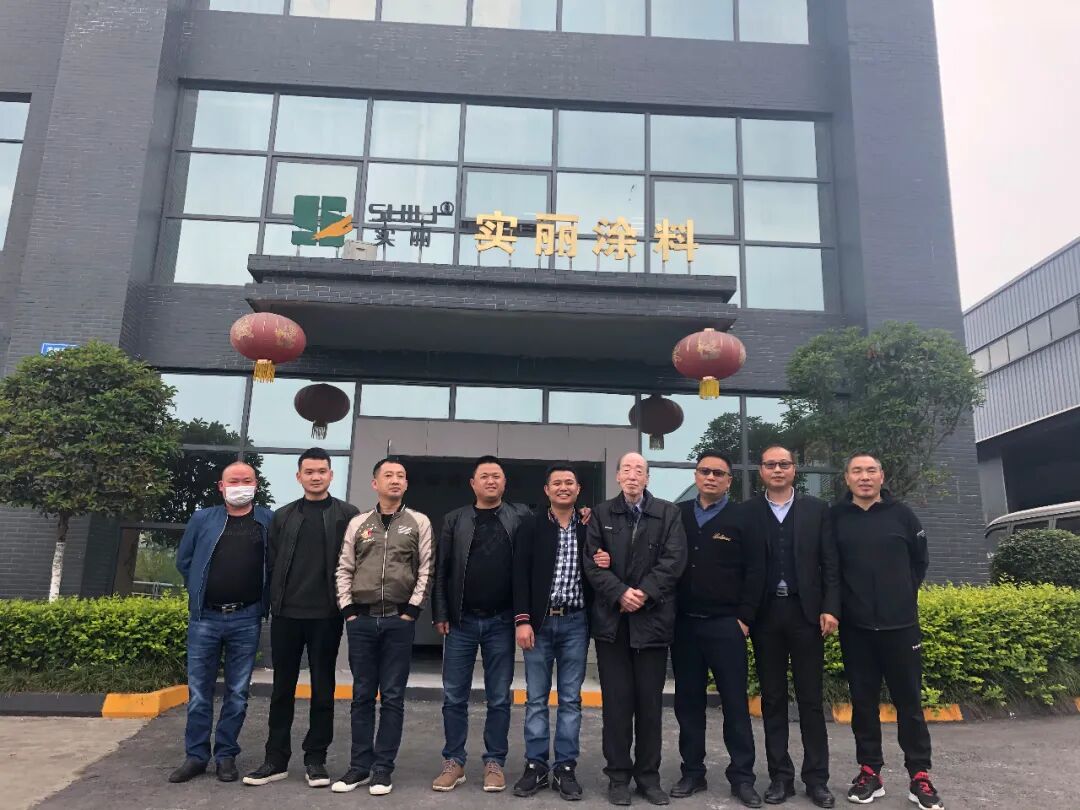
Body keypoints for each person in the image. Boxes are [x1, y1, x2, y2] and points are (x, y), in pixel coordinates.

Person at [832, 453, 944, 810]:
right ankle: (870, 772)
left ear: (882, 476)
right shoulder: (835, 518)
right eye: (857, 471)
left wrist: (900, 596)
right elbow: (830, 568)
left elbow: (919, 562)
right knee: (863, 704)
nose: (864, 477)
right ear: (847, 478)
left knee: (909, 704)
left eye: (871, 471)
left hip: (901, 628)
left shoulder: (903, 516)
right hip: (856, 629)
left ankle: (919, 775)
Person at [243, 448, 359, 789]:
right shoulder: (283, 516)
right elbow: (271, 563)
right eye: (309, 471)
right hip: (286, 614)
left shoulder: (347, 515)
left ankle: (315, 760)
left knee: (323, 689)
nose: (316, 476)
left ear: (331, 475)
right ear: (299, 476)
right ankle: (275, 759)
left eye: (322, 471)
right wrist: (271, 604)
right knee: (282, 689)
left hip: (327, 615)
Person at [582, 452, 686, 807]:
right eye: (626, 469)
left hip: (652, 621)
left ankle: (648, 778)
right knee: (616, 705)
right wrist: (620, 593)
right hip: (612, 624)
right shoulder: (601, 514)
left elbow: (674, 561)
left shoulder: (668, 513)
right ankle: (618, 778)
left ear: (647, 477)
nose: (632, 475)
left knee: (649, 705)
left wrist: (643, 593)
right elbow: (591, 562)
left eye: (639, 470)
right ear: (617, 477)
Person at [430, 456, 534, 793]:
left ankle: (494, 762)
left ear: (505, 482)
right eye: (485, 476)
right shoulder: (455, 519)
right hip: (461, 621)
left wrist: (584, 515)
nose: (491, 481)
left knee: (499, 697)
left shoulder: (520, 516)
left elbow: (553, 525)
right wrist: (440, 612)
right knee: (454, 696)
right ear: (473, 483)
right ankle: (454, 761)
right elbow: (442, 569)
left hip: (502, 621)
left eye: (497, 476)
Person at [668, 450, 765, 808]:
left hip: (727, 625)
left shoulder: (744, 518)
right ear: (696, 476)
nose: (711, 477)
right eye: (705, 471)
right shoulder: (677, 514)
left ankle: (742, 777)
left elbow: (756, 570)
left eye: (718, 473)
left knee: (735, 704)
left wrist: (745, 618)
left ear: (729, 481)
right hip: (684, 626)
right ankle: (692, 772)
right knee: (688, 703)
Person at [332, 457, 434, 796]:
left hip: (398, 622)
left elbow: (426, 569)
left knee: (392, 696)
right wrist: (348, 610)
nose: (395, 480)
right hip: (361, 620)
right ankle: (359, 766)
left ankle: (382, 769)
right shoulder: (358, 523)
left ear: (406, 484)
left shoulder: (419, 522)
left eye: (401, 476)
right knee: (362, 695)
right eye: (388, 475)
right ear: (375, 483)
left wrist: (412, 611)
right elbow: (345, 567)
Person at [745, 446, 838, 808]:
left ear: (794, 469)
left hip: (806, 615)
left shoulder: (817, 510)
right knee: (772, 700)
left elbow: (830, 564)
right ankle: (780, 778)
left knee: (811, 699)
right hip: (766, 615)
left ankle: (816, 779)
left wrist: (830, 608)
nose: (778, 469)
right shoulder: (749, 511)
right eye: (771, 464)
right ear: (761, 471)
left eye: (784, 464)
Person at [170, 461, 272, 784]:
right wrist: (199, 590)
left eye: (247, 480)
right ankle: (196, 756)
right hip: (206, 617)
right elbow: (184, 561)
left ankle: (226, 755)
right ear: (221, 486)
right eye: (234, 480)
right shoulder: (203, 519)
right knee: (199, 692)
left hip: (247, 617)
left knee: (238, 693)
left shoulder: (268, 520)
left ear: (256, 485)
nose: (241, 485)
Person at [511, 464, 591, 801]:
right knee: (536, 699)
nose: (563, 487)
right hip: (539, 623)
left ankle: (565, 768)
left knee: (571, 699)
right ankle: (536, 766)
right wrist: (522, 620)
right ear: (546, 490)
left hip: (576, 622)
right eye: (556, 483)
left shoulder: (589, 525)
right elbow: (519, 574)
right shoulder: (531, 525)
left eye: (569, 482)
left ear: (578, 489)